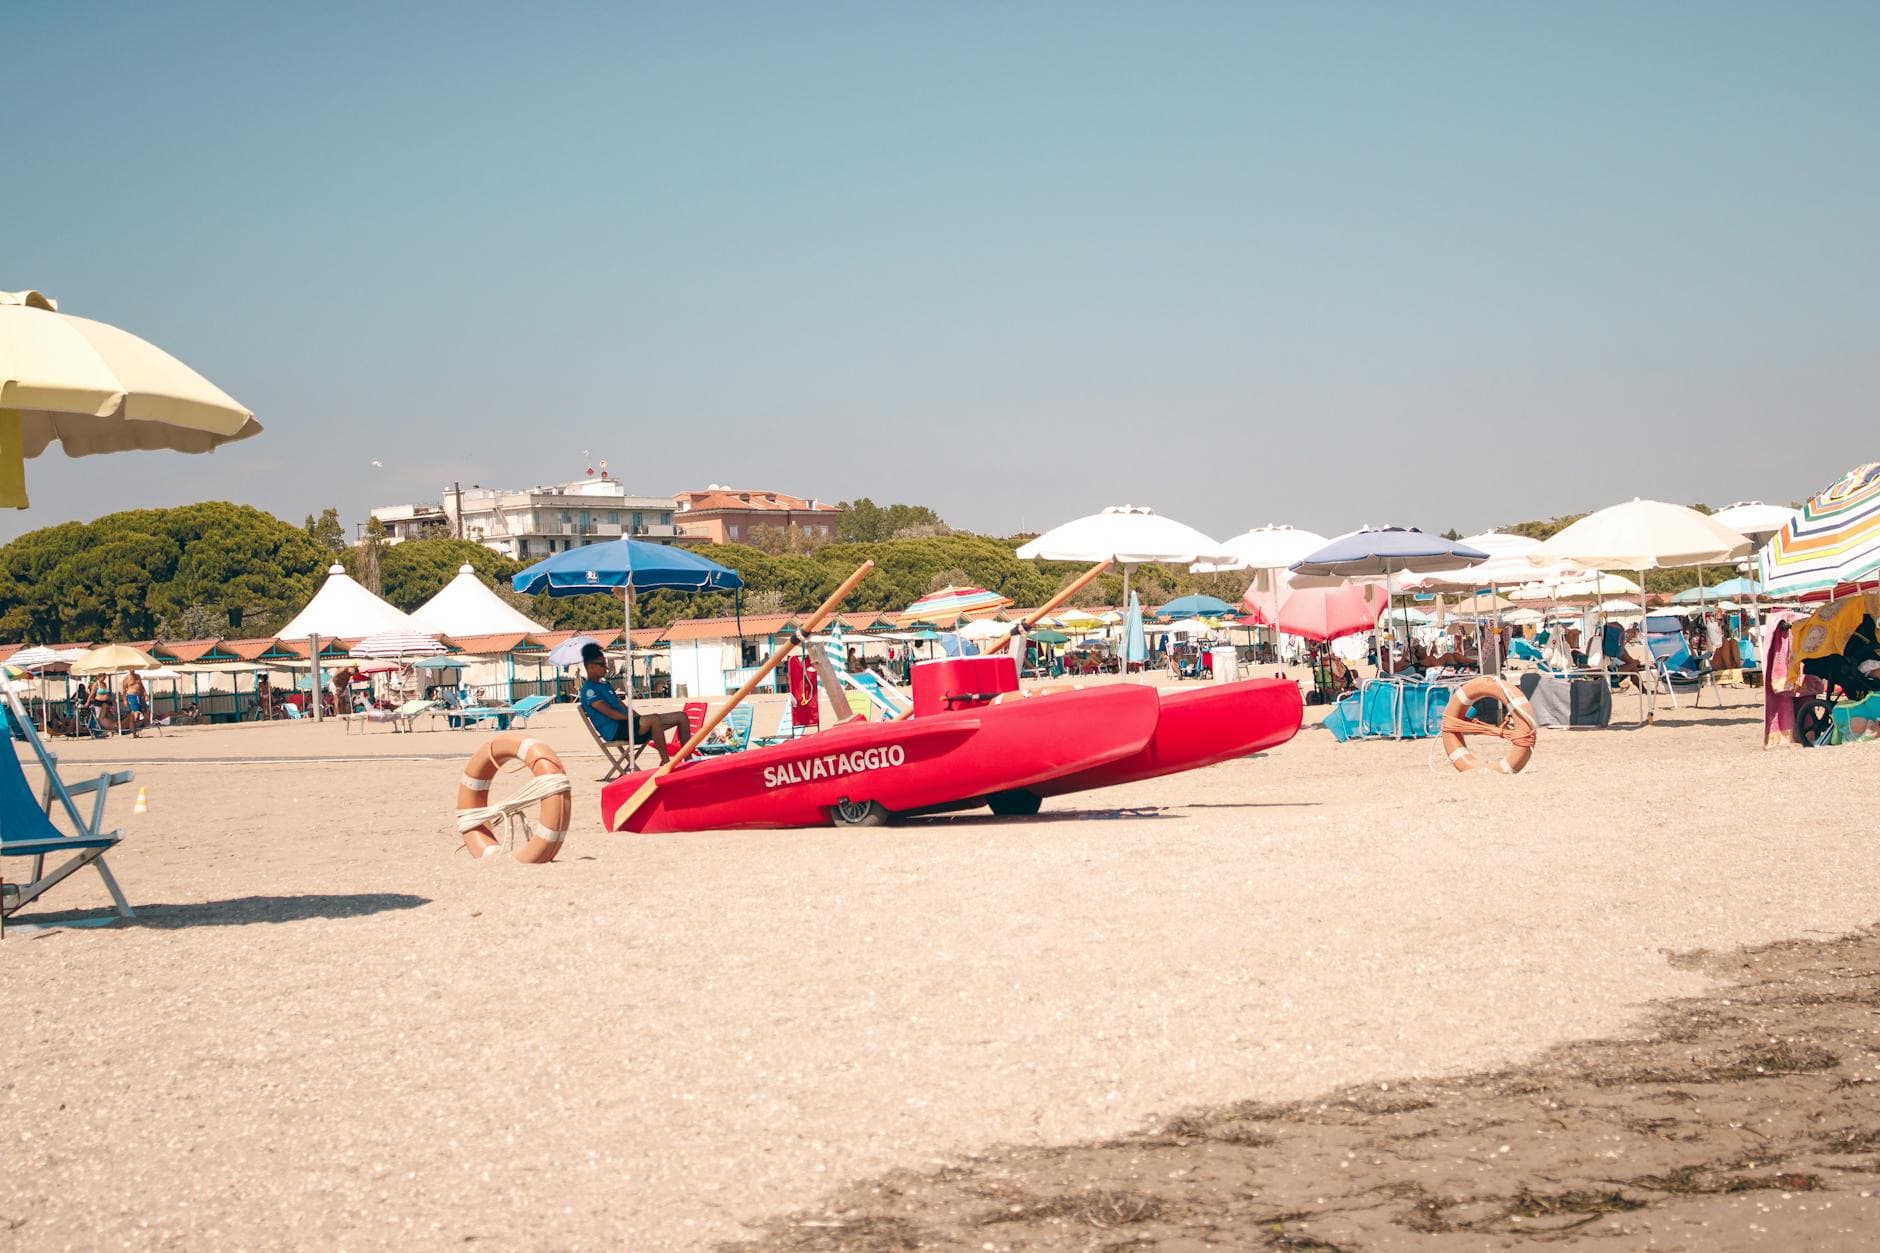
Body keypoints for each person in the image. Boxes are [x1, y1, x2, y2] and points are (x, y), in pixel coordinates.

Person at [578, 642, 685, 764]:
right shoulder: (589, 690)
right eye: (602, 665)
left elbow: (621, 705)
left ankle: (688, 759)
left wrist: (637, 717)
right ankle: (665, 761)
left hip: (627, 724)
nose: (606, 668)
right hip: (616, 730)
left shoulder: (605, 685)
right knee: (654, 719)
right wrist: (633, 719)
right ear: (591, 667)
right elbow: (610, 713)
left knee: (681, 717)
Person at [121, 670, 147, 735]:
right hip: (131, 696)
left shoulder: (138, 676)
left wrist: (145, 694)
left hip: (139, 696)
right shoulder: (126, 678)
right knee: (135, 713)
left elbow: (141, 686)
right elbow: (124, 690)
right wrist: (124, 700)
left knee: (141, 712)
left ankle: (134, 730)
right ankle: (133, 731)